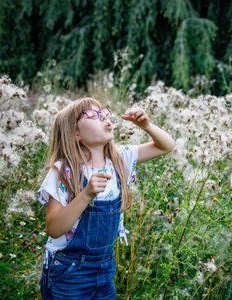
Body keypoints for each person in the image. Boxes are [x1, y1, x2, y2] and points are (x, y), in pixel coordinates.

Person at [36, 97, 175, 299]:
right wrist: (86, 195)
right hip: (69, 274)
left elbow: (166, 146)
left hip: (105, 270)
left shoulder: (120, 159)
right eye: (92, 115)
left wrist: (146, 125)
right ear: (75, 134)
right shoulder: (65, 170)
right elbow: (53, 228)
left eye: (104, 113)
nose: (103, 118)